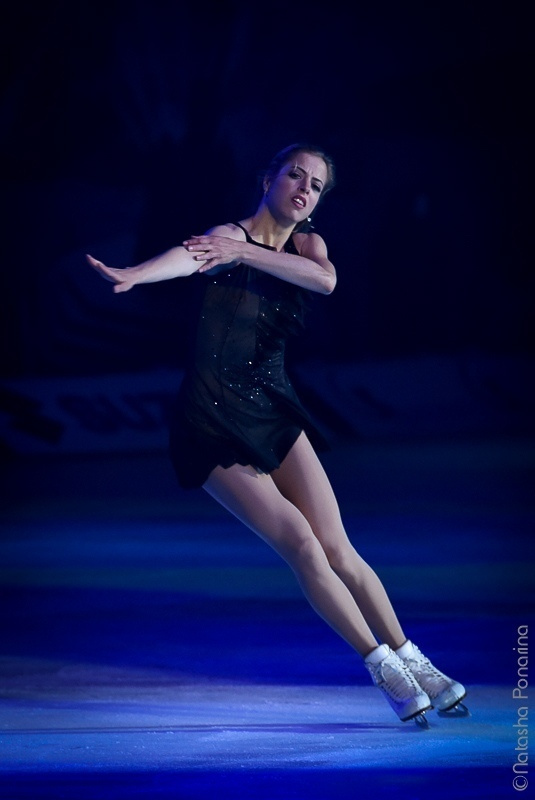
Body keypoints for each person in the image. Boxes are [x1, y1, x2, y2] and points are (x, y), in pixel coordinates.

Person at [86, 142, 466, 726]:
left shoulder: (309, 246)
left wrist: (246, 253)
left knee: (340, 547)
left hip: (272, 410)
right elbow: (191, 257)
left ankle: (419, 663)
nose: (304, 188)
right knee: (302, 543)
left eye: (315, 185)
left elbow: (324, 282)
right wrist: (136, 274)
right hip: (210, 419)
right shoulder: (225, 235)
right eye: (295, 174)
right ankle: (384, 669)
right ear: (269, 178)